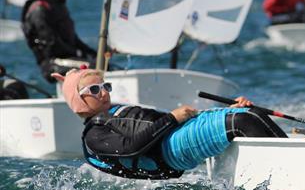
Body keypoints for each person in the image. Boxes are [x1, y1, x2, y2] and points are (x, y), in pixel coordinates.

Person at [54, 68, 287, 180]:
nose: (103, 93)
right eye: (94, 90)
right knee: (242, 121)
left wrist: (228, 109)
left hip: (176, 134)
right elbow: (130, 148)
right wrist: (172, 118)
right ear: (79, 100)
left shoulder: (115, 112)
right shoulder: (94, 135)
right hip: (170, 151)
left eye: (106, 86)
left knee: (246, 112)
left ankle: (288, 161)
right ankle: (289, 168)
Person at [21, 0, 96, 82]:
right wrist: (78, 53)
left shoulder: (58, 7)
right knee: (94, 68)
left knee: (102, 63)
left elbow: (74, 40)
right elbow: (51, 43)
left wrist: (94, 53)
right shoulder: (39, 9)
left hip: (70, 58)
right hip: (52, 63)